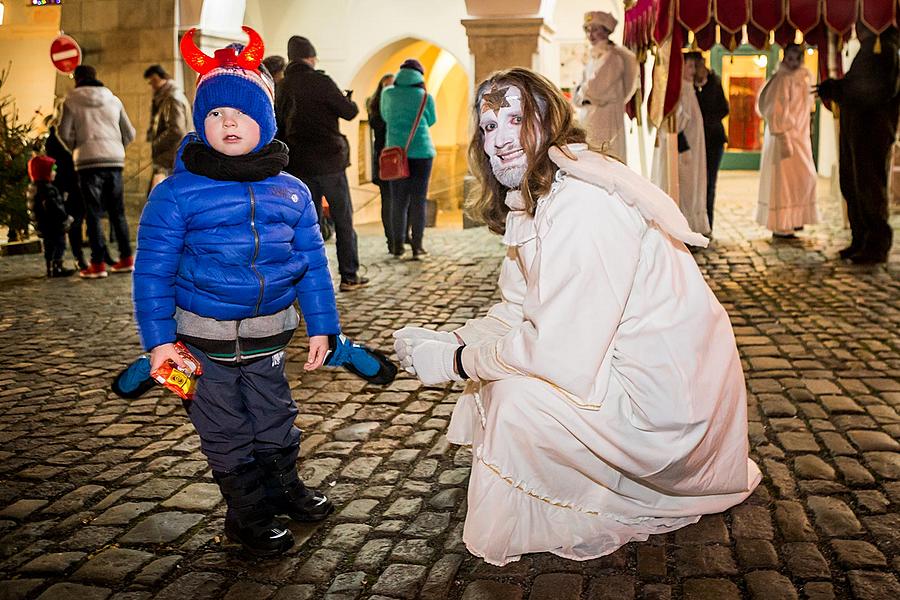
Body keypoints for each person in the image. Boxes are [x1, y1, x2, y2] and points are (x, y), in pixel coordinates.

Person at [393, 67, 760, 567]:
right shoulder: (538, 194)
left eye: (514, 120)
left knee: (512, 394)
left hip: (666, 404)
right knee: (496, 377)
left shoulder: (583, 203)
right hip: (612, 359)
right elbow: (519, 307)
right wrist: (450, 337)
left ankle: (594, 494)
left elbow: (557, 351)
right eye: (488, 126)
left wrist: (458, 361)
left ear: (547, 121)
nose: (499, 140)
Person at [134, 29, 339, 557]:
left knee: (275, 416)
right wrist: (159, 341)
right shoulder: (175, 194)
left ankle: (282, 488)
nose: (228, 121)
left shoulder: (291, 189)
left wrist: (323, 324)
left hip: (269, 336)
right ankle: (246, 515)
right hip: (202, 342)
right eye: (215, 113)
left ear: (266, 120)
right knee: (225, 428)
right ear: (201, 124)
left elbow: (313, 265)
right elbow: (152, 273)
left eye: (242, 112)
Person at [275, 35, 368, 290]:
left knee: (307, 226)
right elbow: (349, 112)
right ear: (311, 57)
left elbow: (278, 126)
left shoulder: (283, 86)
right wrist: (347, 98)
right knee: (343, 219)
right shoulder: (321, 81)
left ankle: (310, 280)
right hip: (329, 163)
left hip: (298, 165)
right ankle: (349, 275)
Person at [818, 25, 899, 264]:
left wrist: (839, 88)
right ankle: (860, 237)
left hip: (872, 132)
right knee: (852, 184)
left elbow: (872, 89)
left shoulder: (884, 49)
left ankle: (875, 243)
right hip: (857, 129)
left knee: (868, 187)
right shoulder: (870, 48)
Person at [58, 64, 136, 278]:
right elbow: (129, 132)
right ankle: (126, 258)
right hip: (114, 160)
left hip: (87, 162)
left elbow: (63, 132)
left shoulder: (71, 100)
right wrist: (116, 148)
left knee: (93, 213)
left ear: (77, 79)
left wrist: (77, 148)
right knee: (117, 212)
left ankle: (98, 264)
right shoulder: (113, 99)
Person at [754, 44, 818, 239]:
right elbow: (774, 109)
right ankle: (782, 222)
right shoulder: (781, 80)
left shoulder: (803, 79)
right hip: (785, 138)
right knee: (784, 183)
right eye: (789, 59)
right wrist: (782, 134)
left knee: (804, 179)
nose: (793, 63)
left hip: (800, 137)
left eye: (796, 59)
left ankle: (795, 218)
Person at [381, 59, 437, 258]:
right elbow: (431, 120)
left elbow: (385, 115)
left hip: (396, 153)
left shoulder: (387, 94)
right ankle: (417, 246)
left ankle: (397, 245)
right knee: (418, 200)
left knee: (398, 201)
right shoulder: (424, 96)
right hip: (421, 152)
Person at [651, 54, 710, 236]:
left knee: (691, 187)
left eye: (694, 66)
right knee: (684, 188)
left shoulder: (688, 89)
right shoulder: (679, 91)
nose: (693, 71)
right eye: (689, 66)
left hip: (691, 148)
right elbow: (677, 120)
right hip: (684, 150)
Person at [573, 10, 638, 161]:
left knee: (606, 156)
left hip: (605, 116)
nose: (591, 34)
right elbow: (579, 88)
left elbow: (595, 88)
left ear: (606, 31)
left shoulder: (612, 57)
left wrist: (582, 90)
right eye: (588, 30)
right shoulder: (594, 57)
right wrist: (581, 91)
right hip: (591, 115)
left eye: (595, 29)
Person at [686, 52, 729, 232]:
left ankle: (707, 223)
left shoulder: (714, 82)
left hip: (713, 139)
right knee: (695, 180)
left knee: (710, 182)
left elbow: (723, 108)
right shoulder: (689, 86)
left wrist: (706, 121)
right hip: (695, 139)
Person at [43, 108, 87, 271]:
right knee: (66, 222)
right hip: (65, 185)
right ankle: (63, 259)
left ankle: (72, 258)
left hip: (73, 184)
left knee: (73, 221)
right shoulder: (55, 138)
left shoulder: (70, 134)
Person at [144, 64, 191, 191]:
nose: (152, 85)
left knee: (158, 198)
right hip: (169, 158)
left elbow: (176, 130)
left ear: (163, 77)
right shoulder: (166, 97)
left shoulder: (172, 98)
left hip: (170, 158)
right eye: (150, 82)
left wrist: (157, 143)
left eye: (154, 80)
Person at [26, 155, 74, 278]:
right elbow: (55, 208)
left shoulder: (34, 188)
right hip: (54, 224)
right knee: (60, 244)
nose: (55, 172)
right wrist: (65, 218)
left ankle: (49, 266)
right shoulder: (48, 189)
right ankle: (57, 266)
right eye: (53, 169)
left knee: (48, 245)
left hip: (43, 224)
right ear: (44, 172)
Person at [367, 73, 396, 252]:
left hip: (396, 155)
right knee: (388, 200)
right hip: (383, 157)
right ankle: (391, 238)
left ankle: (400, 235)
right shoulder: (375, 107)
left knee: (399, 199)